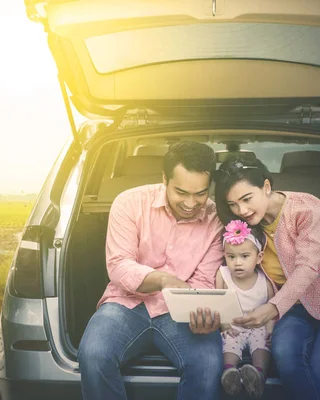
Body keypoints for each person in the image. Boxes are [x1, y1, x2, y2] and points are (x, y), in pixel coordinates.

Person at [214, 155, 320, 400]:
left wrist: (271, 308)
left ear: (266, 186)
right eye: (233, 204)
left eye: (246, 199)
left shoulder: (306, 208)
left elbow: (308, 266)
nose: (241, 211)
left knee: (317, 375)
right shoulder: (242, 227)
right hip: (295, 310)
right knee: (286, 359)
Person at [78, 141, 225, 400]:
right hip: (126, 304)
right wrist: (162, 280)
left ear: (210, 185)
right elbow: (119, 264)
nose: (191, 203)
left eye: (200, 193)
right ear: (164, 179)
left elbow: (204, 280)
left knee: (209, 364)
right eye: (181, 192)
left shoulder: (216, 219)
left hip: (182, 312)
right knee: (94, 353)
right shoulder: (129, 202)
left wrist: (203, 312)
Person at [216, 219, 275, 398]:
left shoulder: (265, 280)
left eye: (244, 256)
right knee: (229, 344)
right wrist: (224, 325)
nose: (237, 263)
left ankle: (257, 374)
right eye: (231, 256)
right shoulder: (223, 274)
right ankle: (229, 373)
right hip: (233, 326)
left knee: (261, 346)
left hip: (258, 326)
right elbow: (218, 302)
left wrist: (270, 331)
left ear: (259, 258)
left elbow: (272, 308)